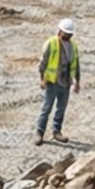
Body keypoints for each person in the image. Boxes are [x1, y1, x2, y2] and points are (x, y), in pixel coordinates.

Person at [36, 17, 80, 145]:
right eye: (66, 33)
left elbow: (76, 64)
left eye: (69, 34)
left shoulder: (73, 46)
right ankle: (39, 132)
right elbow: (42, 63)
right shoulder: (51, 43)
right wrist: (42, 79)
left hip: (65, 82)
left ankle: (57, 131)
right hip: (52, 81)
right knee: (47, 108)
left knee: (61, 108)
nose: (67, 35)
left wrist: (77, 82)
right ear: (60, 31)